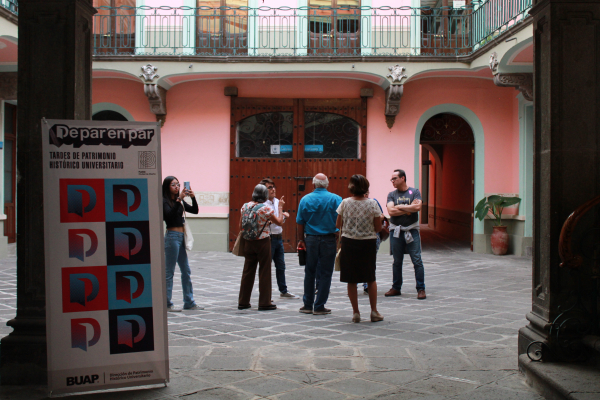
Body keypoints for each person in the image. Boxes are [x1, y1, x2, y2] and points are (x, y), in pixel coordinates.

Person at [337, 175, 384, 323]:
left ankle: (356, 313)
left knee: (351, 279)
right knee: (370, 277)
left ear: (351, 187)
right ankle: (374, 311)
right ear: (366, 187)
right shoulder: (373, 204)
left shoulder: (344, 203)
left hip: (349, 242)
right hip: (367, 243)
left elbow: (338, 224)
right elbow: (377, 228)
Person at [297, 173, 342, 315]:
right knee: (326, 273)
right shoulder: (336, 199)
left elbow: (300, 222)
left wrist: (301, 240)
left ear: (313, 184)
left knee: (309, 272)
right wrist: (338, 235)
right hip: (329, 239)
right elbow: (341, 221)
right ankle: (320, 305)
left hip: (310, 239)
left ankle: (307, 304)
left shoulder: (305, 199)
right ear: (327, 184)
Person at [238, 184, 287, 311]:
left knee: (247, 271)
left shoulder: (245, 206)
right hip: (263, 241)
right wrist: (280, 208)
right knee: (264, 271)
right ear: (265, 195)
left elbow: (240, 225)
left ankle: (243, 301)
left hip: (248, 241)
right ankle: (264, 302)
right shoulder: (264, 209)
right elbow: (280, 221)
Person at [162, 176, 203, 312]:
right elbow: (169, 216)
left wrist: (192, 197)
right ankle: (167, 303)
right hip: (172, 237)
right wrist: (179, 199)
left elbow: (195, 210)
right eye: (173, 184)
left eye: (178, 184)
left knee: (186, 270)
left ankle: (189, 302)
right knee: (169, 271)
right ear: (167, 186)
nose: (177, 187)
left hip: (181, 237)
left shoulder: (178, 201)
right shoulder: (165, 201)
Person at [386, 169, 426, 300]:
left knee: (417, 260)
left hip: (412, 230)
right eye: (392, 179)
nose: (392, 181)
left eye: (395, 178)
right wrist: (408, 209)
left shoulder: (414, 192)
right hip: (396, 231)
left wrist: (400, 207)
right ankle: (396, 287)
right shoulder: (391, 194)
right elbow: (391, 211)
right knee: (397, 261)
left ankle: (421, 288)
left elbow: (417, 208)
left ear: (402, 178)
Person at [260, 178, 296, 299]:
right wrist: (280, 216)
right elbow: (269, 222)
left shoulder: (277, 201)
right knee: (266, 267)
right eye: (269, 187)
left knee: (281, 266)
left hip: (278, 238)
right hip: (268, 238)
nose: (273, 189)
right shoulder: (263, 204)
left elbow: (278, 220)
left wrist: (283, 216)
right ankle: (266, 293)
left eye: (273, 186)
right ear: (264, 190)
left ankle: (283, 290)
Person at [361, 190, 386, 295]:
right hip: (359, 236)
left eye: (367, 193)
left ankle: (367, 284)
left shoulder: (374, 202)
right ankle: (361, 281)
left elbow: (382, 216)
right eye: (364, 193)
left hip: (373, 235)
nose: (365, 195)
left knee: (370, 260)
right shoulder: (353, 203)